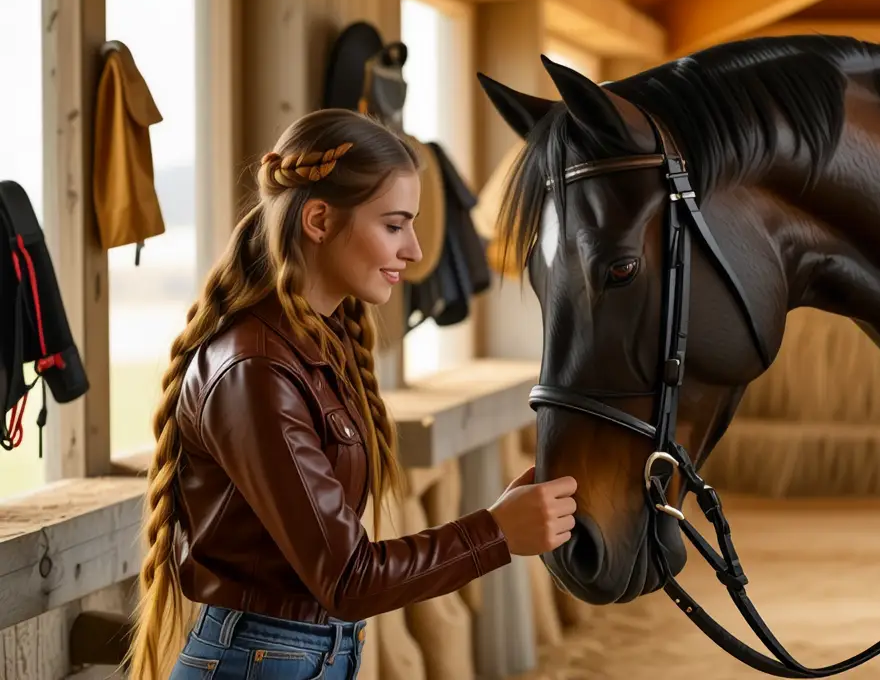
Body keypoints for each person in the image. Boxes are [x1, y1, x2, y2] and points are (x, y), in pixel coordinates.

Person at [124, 108, 578, 679]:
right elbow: (348, 578)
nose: (413, 250)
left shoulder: (310, 345)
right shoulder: (256, 369)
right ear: (318, 219)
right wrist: (496, 533)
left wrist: (501, 525)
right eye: (394, 225)